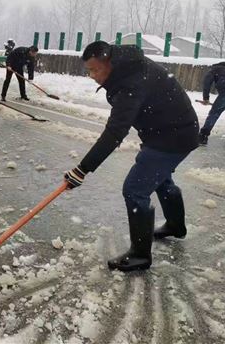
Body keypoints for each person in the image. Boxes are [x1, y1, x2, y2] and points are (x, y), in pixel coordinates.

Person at [64, 41, 199, 272]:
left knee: (135, 189)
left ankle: (140, 255)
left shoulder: (131, 82)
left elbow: (115, 131)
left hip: (172, 136)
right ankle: (176, 226)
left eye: (95, 69)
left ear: (110, 61)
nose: (92, 76)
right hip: (170, 130)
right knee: (160, 178)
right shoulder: (128, 66)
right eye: (89, 71)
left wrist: (82, 169)